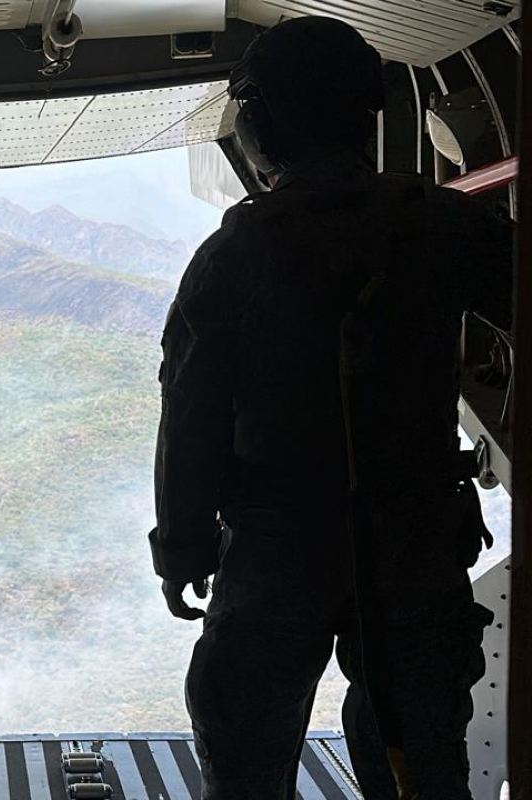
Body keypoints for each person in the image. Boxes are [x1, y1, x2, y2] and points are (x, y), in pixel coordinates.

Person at [148, 16, 512, 800]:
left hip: (278, 546)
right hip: (413, 540)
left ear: (265, 119)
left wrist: (180, 548)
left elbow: (192, 419)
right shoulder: (441, 224)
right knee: (420, 755)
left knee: (245, 744)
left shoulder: (235, 255)